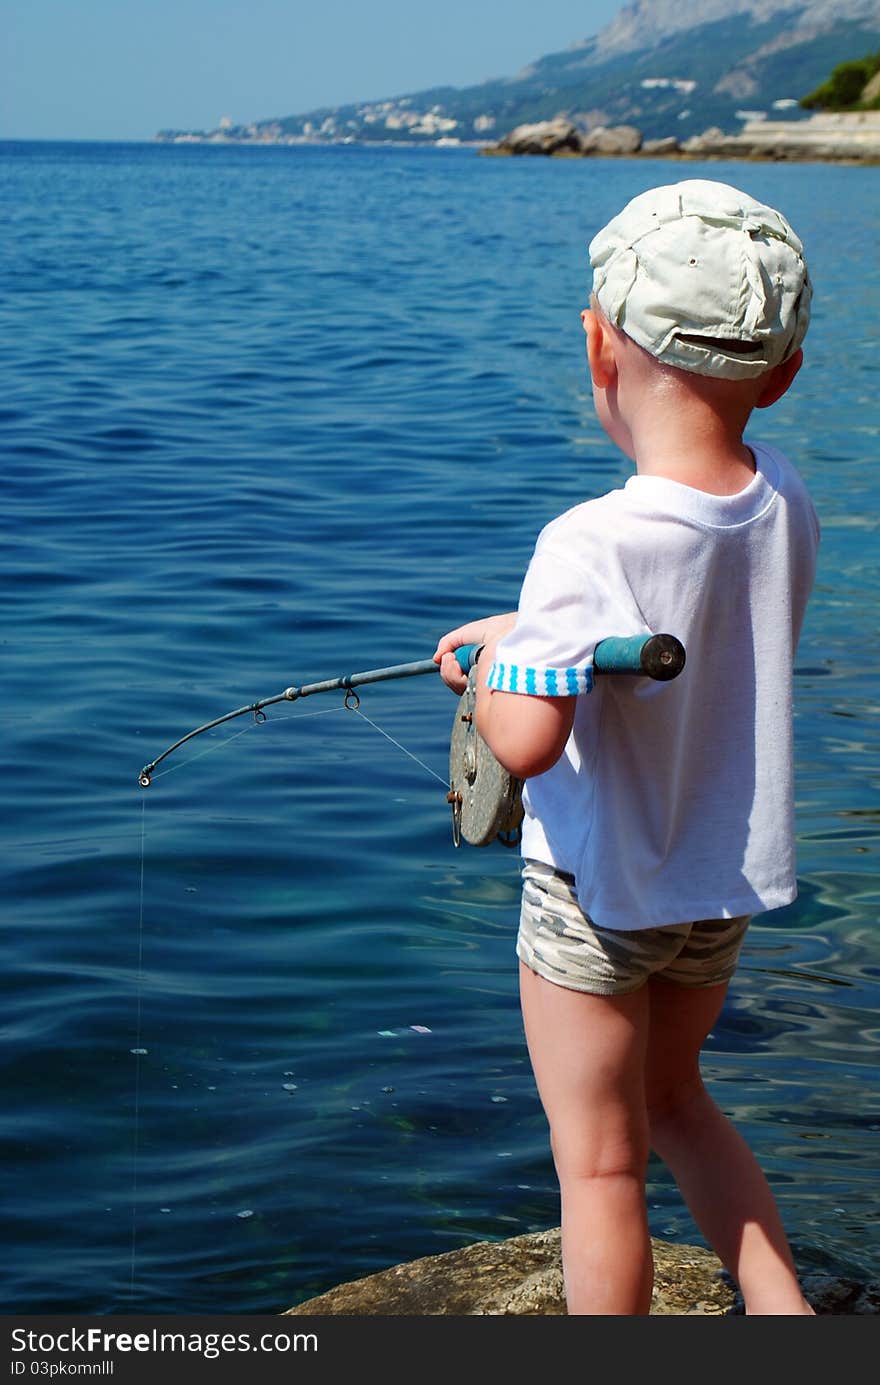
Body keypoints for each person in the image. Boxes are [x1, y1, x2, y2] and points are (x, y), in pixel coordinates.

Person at [433, 180, 820, 1316]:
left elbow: (527, 738)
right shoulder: (783, 494)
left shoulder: (583, 538)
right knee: (679, 1100)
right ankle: (786, 1313)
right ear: (784, 371)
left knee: (598, 1160)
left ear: (598, 347)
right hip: (717, 888)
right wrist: (533, 632)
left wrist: (507, 661)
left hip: (594, 899)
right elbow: (682, 621)